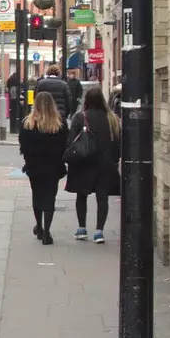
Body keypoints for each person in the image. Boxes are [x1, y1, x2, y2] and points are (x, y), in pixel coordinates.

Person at [65, 85, 121, 243]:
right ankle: (99, 231)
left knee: (81, 195)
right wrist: (115, 159)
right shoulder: (112, 119)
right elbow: (118, 142)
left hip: (84, 162)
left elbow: (70, 141)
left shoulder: (80, 117)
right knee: (102, 197)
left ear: (86, 100)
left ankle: (82, 228)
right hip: (105, 163)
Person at [18, 88, 68, 244]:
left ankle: (39, 226)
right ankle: (47, 231)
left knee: (37, 195)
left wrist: (29, 158)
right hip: (53, 167)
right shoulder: (59, 124)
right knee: (50, 197)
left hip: (35, 167)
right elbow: (65, 144)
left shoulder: (28, 123)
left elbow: (23, 145)